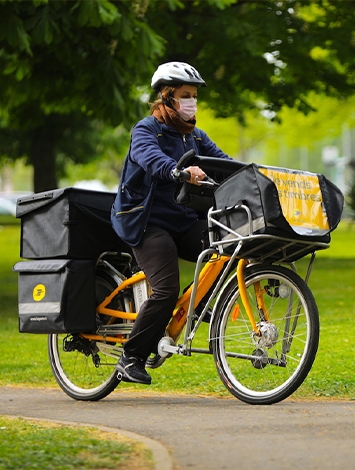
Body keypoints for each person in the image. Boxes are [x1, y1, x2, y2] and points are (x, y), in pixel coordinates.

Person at [110, 62, 232, 385]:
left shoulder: (195, 137)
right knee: (166, 289)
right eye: (185, 96)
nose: (191, 102)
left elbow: (223, 163)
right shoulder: (146, 129)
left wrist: (253, 174)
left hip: (183, 220)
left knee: (227, 249)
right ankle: (131, 356)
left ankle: (194, 311)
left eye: (194, 96)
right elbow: (150, 158)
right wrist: (179, 170)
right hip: (146, 222)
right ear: (166, 97)